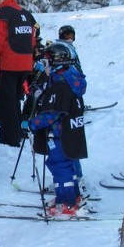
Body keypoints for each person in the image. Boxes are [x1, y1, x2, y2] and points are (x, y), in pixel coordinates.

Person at [27, 42, 89, 217]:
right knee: (67, 166)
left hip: (59, 134)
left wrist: (33, 123)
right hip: (69, 133)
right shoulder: (70, 80)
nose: (44, 67)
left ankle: (66, 203)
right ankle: (73, 196)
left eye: (46, 62)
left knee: (59, 166)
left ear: (57, 62)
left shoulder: (60, 86)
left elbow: (52, 113)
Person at [0, 0, 39, 146]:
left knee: (6, 101)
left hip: (8, 64)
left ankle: (9, 138)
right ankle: (18, 132)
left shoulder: (1, 14)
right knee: (16, 99)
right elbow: (33, 39)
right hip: (25, 63)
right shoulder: (25, 13)